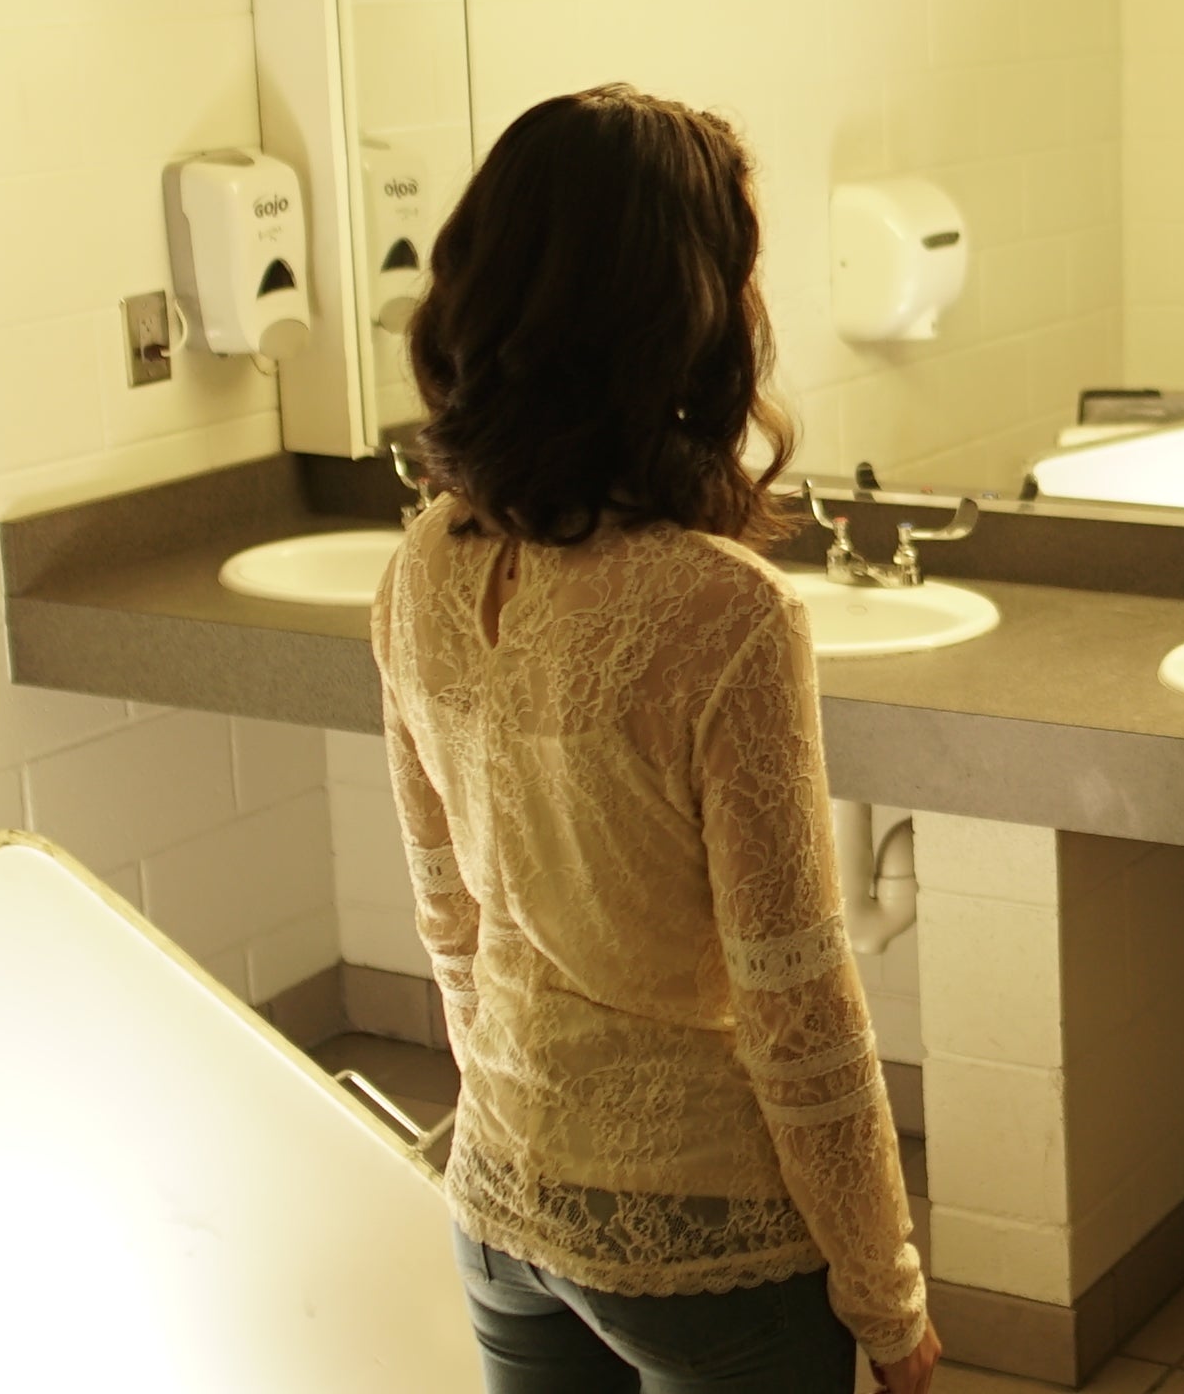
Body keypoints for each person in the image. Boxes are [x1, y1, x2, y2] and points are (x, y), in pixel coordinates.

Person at [375, 85, 941, 1394]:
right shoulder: (723, 613)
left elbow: (449, 917)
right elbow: (797, 1003)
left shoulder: (422, 565)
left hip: (500, 1192)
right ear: (685, 318)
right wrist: (887, 1296)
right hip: (704, 1239)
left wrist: (520, 1124)